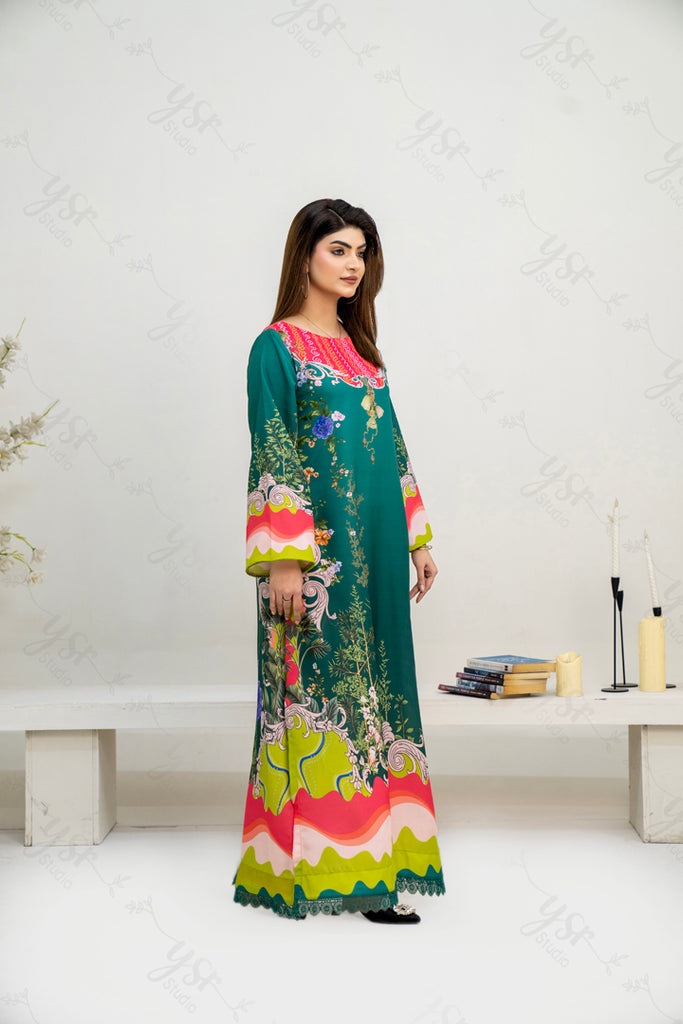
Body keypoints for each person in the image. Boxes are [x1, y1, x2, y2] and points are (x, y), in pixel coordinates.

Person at [232, 198, 445, 923]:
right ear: (304, 255)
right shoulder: (275, 348)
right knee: (321, 693)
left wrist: (417, 539)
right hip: (315, 557)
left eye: (361, 252)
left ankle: (383, 861)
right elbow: (272, 448)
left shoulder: (360, 352)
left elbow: (393, 447)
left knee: (380, 687)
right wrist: (284, 562)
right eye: (338, 250)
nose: (353, 264)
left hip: (377, 550)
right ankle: (327, 865)